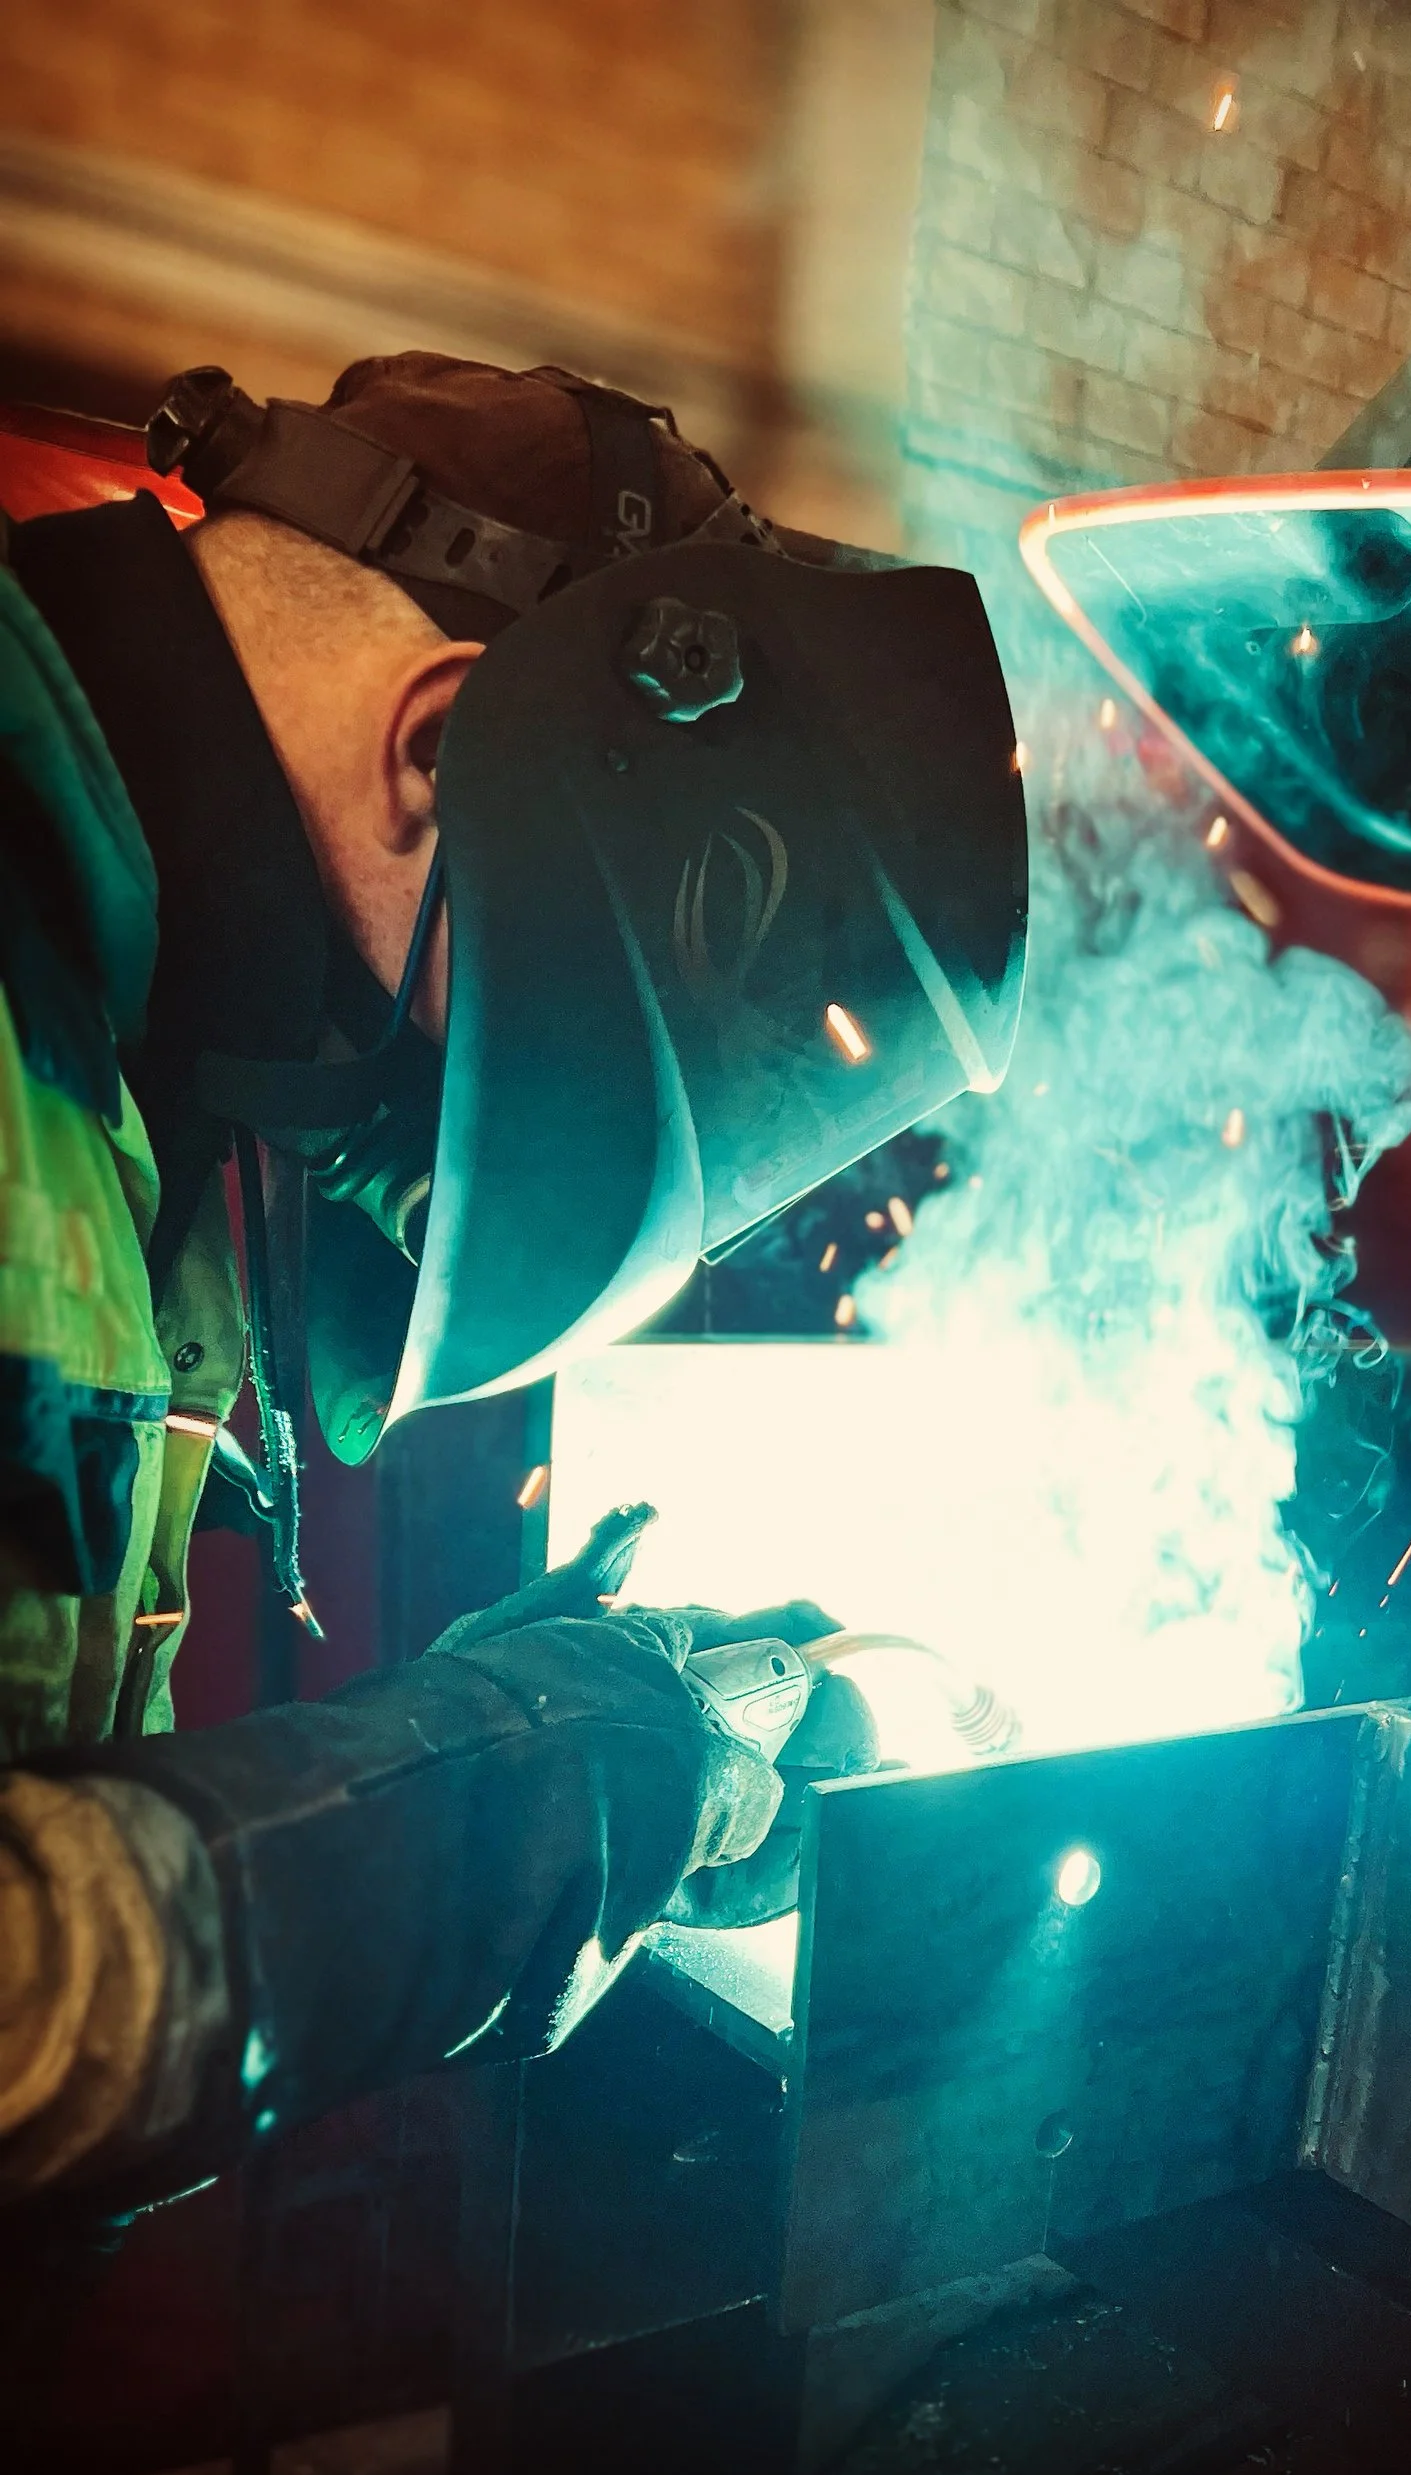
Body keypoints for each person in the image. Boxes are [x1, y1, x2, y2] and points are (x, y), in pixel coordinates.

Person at [0, 355, 1027, 2205]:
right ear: (442, 751)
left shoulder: (102, 1038)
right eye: (537, 1018)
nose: (440, 1144)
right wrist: (539, 1783)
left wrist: (481, 1757)